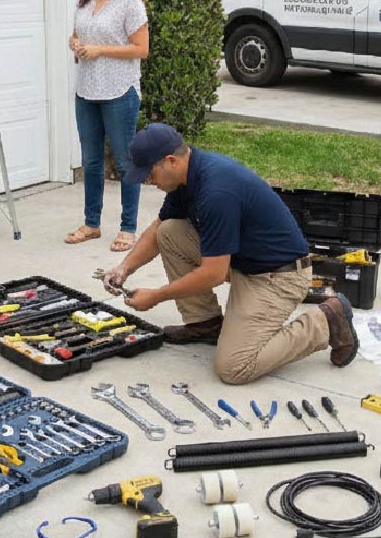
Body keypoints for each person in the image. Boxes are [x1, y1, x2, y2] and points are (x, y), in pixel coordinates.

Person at [100, 123, 359, 385]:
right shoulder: (186, 177)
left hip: (278, 277)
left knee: (234, 367)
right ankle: (206, 323)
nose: (148, 181)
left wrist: (156, 296)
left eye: (149, 173)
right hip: (245, 262)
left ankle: (325, 321)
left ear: (171, 161)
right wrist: (124, 268)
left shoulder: (216, 192)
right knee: (168, 231)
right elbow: (157, 230)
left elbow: (213, 273)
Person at [65, 0, 150, 252]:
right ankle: (92, 224)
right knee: (90, 162)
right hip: (86, 89)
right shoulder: (83, 0)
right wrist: (75, 44)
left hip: (119, 90)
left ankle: (128, 228)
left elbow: (142, 49)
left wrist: (100, 49)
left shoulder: (130, 3)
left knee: (126, 162)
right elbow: (77, 35)